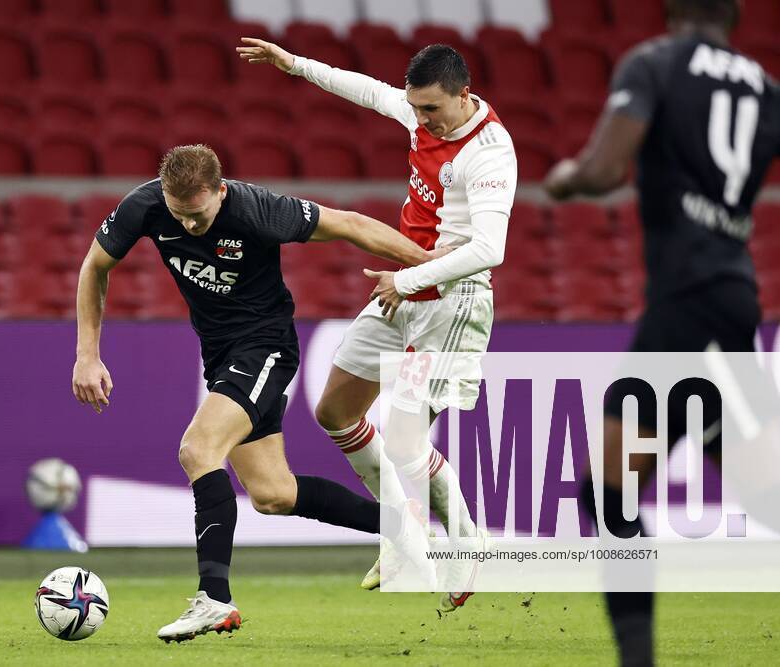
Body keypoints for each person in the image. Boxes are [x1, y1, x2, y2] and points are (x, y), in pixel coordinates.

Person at [73, 144, 441, 643]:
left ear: (220, 193)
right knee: (272, 493)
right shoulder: (145, 205)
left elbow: (350, 224)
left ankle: (215, 600)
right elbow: (95, 266)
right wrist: (87, 355)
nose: (190, 227)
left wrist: (429, 269)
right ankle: (402, 526)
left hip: (265, 347)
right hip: (221, 356)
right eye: (180, 216)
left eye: (199, 215)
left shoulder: (258, 209)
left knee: (197, 449)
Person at [237, 39, 517, 605]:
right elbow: (366, 90)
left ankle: (465, 539)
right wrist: (294, 63)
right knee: (336, 410)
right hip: (403, 292)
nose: (420, 119)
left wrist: (406, 280)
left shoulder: (488, 155)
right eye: (415, 108)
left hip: (449, 304)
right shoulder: (423, 115)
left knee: (407, 439)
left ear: (464, 96)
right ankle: (400, 528)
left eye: (431, 109)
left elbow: (490, 248)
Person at [543, 1, 780, 664]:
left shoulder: (655, 62)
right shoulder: (765, 88)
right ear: (733, 15)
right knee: (620, 489)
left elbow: (603, 169)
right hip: (719, 299)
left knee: (614, 491)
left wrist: (563, 180)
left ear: (672, 9)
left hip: (691, 308)